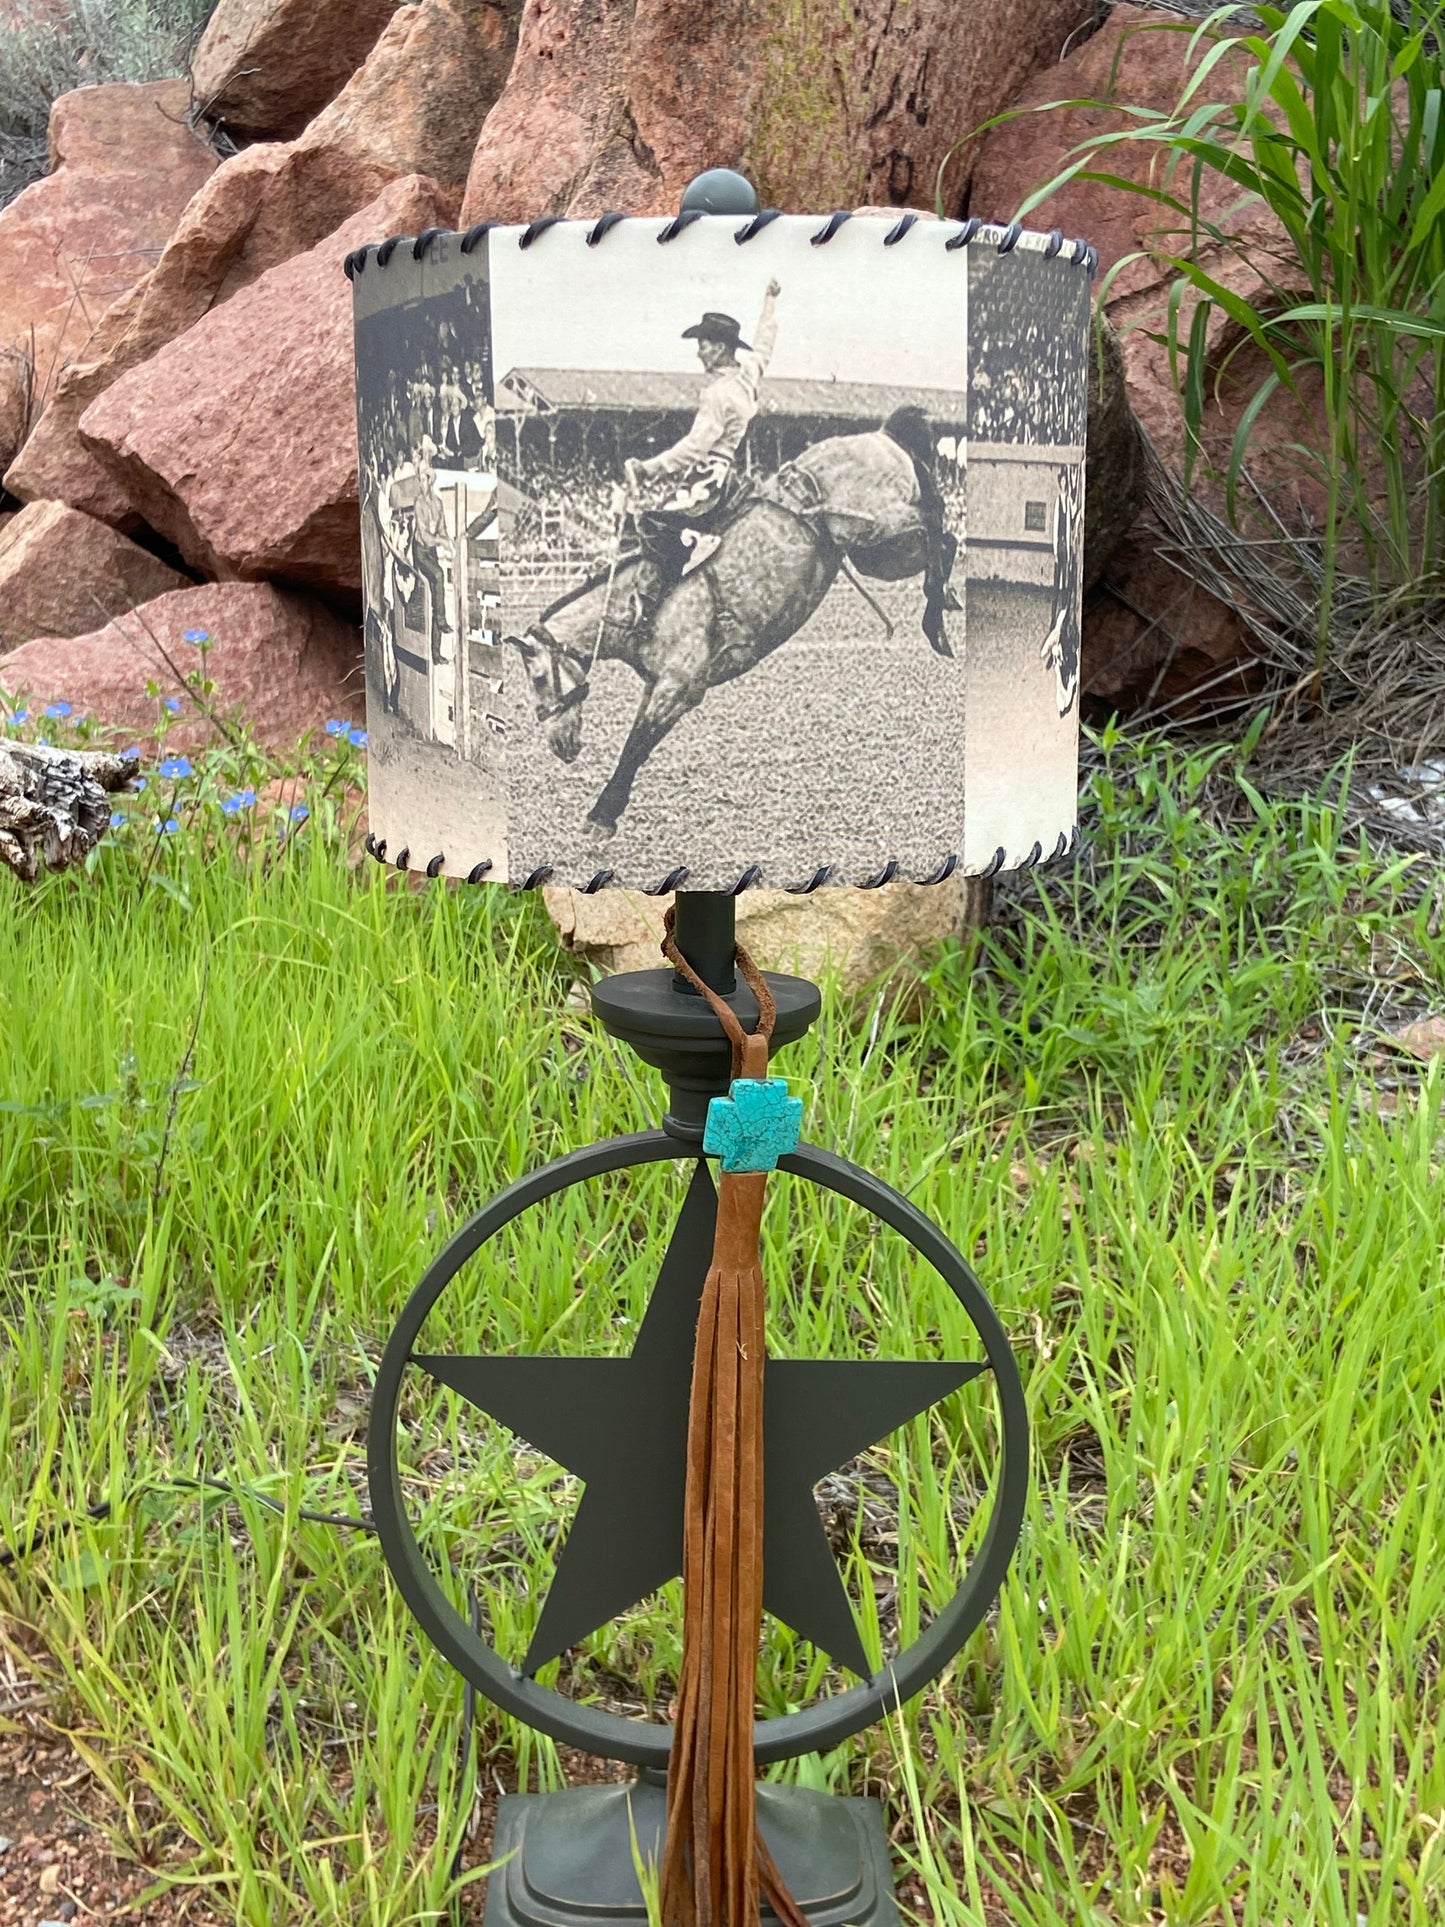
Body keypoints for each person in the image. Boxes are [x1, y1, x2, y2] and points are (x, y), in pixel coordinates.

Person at [620, 279, 781, 631]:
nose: (699, 352)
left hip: (706, 478)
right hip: (729, 474)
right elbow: (765, 342)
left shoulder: (718, 395)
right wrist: (769, 301)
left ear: (722, 348)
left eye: (704, 344)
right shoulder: (748, 375)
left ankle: (647, 610)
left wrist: (648, 469)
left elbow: (694, 448)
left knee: (655, 521)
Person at [411, 440, 453, 665]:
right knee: (438, 576)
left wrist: (449, 541)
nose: (421, 483)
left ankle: (436, 654)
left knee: (438, 591)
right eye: (419, 480)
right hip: (421, 551)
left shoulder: (437, 503)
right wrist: (441, 542)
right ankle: (441, 618)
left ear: (430, 481)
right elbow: (426, 536)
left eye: (424, 479)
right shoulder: (419, 503)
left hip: (432, 553)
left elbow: (443, 528)